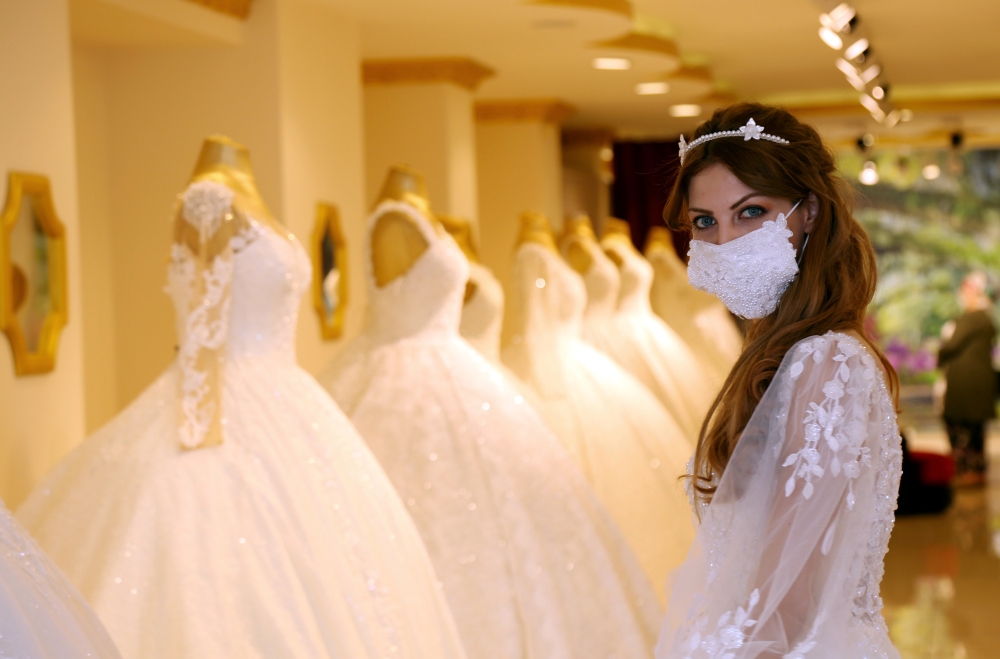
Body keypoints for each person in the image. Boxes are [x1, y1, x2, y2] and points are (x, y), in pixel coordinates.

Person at [655, 103, 903, 659]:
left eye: (750, 212)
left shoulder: (825, 361)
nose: (724, 241)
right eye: (704, 221)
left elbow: (787, 600)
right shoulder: (797, 353)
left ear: (808, 211)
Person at [938, 271, 996, 486]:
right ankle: (973, 472)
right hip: (975, 385)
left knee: (963, 429)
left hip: (967, 385)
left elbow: (950, 346)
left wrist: (941, 352)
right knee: (974, 430)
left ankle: (967, 472)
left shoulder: (973, 318)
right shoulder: (984, 318)